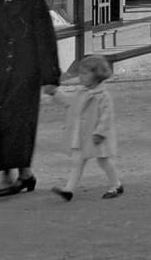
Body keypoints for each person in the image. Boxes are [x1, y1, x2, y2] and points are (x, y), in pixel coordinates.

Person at [0, 0, 61, 197]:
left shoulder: (35, 3)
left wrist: (50, 78)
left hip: (25, 72)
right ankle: (20, 174)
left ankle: (14, 176)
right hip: (1, 72)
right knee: (1, 119)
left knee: (20, 123)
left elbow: (46, 42)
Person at [48, 54, 122, 201]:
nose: (80, 77)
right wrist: (55, 93)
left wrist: (100, 133)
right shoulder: (82, 92)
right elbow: (70, 104)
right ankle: (68, 190)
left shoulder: (103, 96)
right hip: (83, 135)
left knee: (103, 161)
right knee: (78, 161)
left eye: (84, 74)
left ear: (96, 74)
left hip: (98, 137)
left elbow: (106, 117)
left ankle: (116, 184)